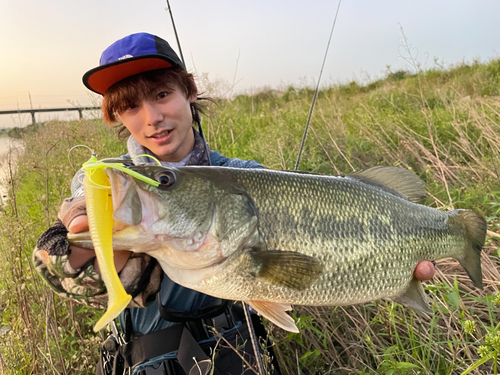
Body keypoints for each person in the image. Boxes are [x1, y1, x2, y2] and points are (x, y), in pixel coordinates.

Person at [33, 32, 436, 375]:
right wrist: (85, 243)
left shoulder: (246, 175)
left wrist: (385, 266)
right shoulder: (105, 181)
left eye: (161, 94)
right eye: (130, 106)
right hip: (151, 361)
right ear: (115, 115)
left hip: (241, 355)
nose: (152, 117)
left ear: (188, 90)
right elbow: (63, 274)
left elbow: (300, 271)